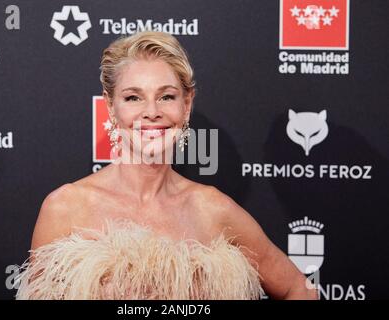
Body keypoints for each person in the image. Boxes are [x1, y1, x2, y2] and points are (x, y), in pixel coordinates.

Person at [16, 31, 319, 300]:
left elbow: (299, 289)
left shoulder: (213, 209)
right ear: (110, 106)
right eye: (133, 97)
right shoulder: (66, 209)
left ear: (187, 105)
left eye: (167, 96)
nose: (151, 112)